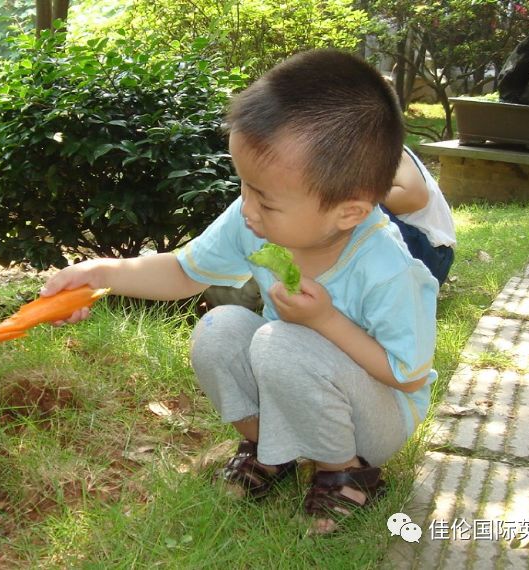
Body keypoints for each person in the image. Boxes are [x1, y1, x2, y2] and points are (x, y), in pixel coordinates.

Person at [40, 49, 438, 534]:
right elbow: (185, 272)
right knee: (219, 326)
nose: (247, 209)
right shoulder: (253, 223)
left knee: (280, 340)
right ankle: (269, 450)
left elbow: (408, 375)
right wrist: (102, 273)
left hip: (376, 418)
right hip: (295, 381)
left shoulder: (386, 268)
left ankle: (346, 472)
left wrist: (325, 321)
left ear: (348, 212)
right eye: (244, 186)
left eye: (265, 200)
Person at [382, 147, 456, 285]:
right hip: (410, 250)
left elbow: (415, 197)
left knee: (350, 205)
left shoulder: (376, 143)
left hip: (428, 254)